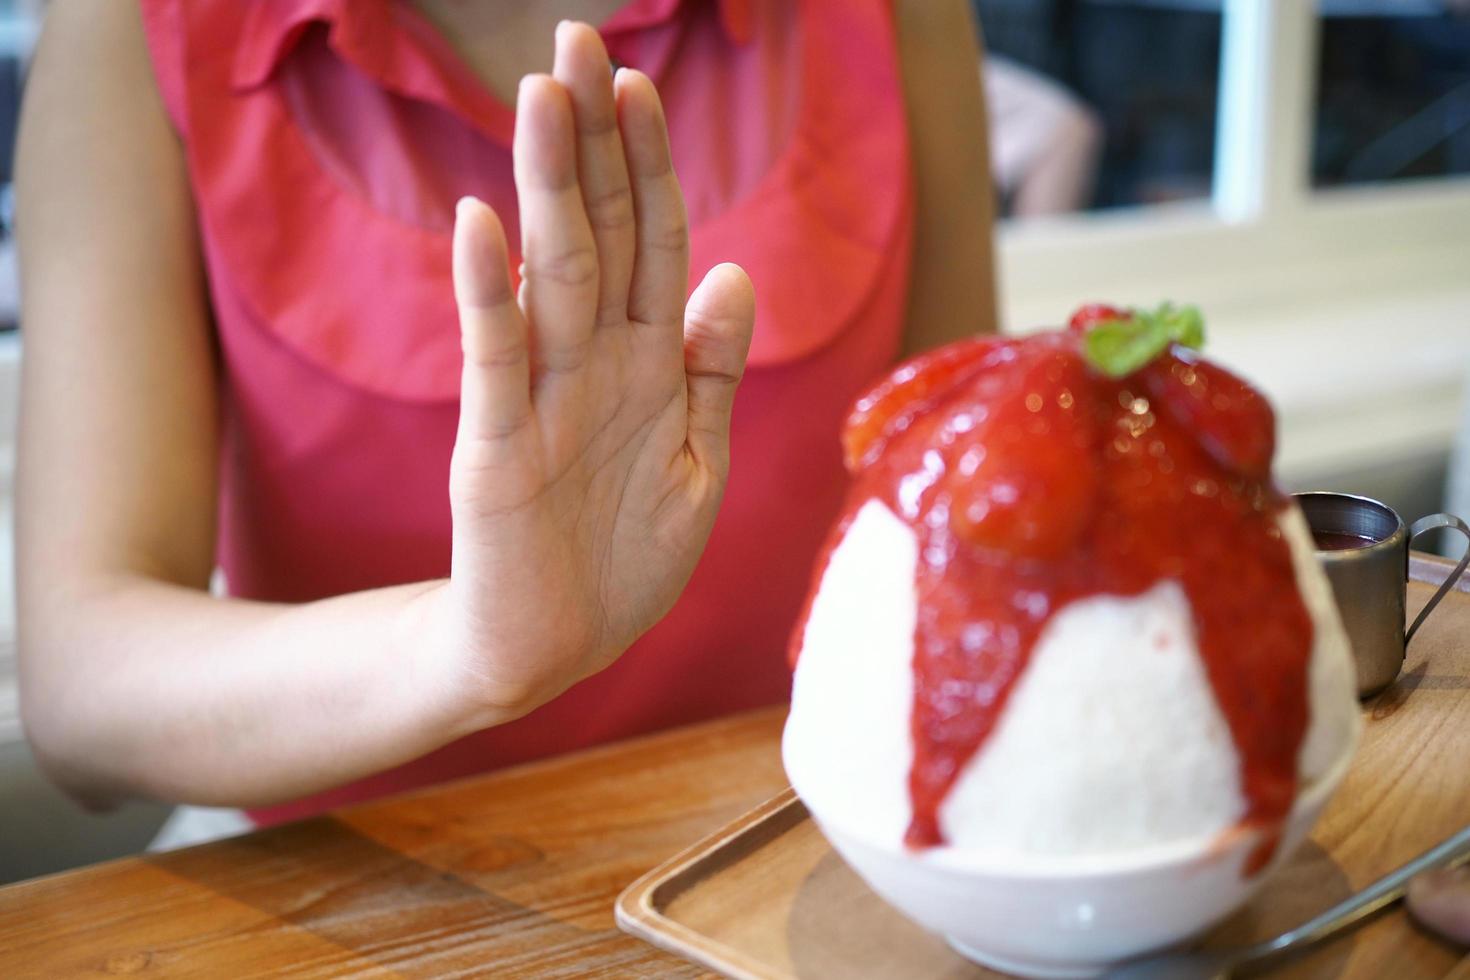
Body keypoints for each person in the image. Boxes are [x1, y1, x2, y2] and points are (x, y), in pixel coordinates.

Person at [15, 0, 997, 832]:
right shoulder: (133, 28)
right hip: (353, 891)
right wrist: (460, 648)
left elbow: (960, 532)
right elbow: (84, 679)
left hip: (789, 850)